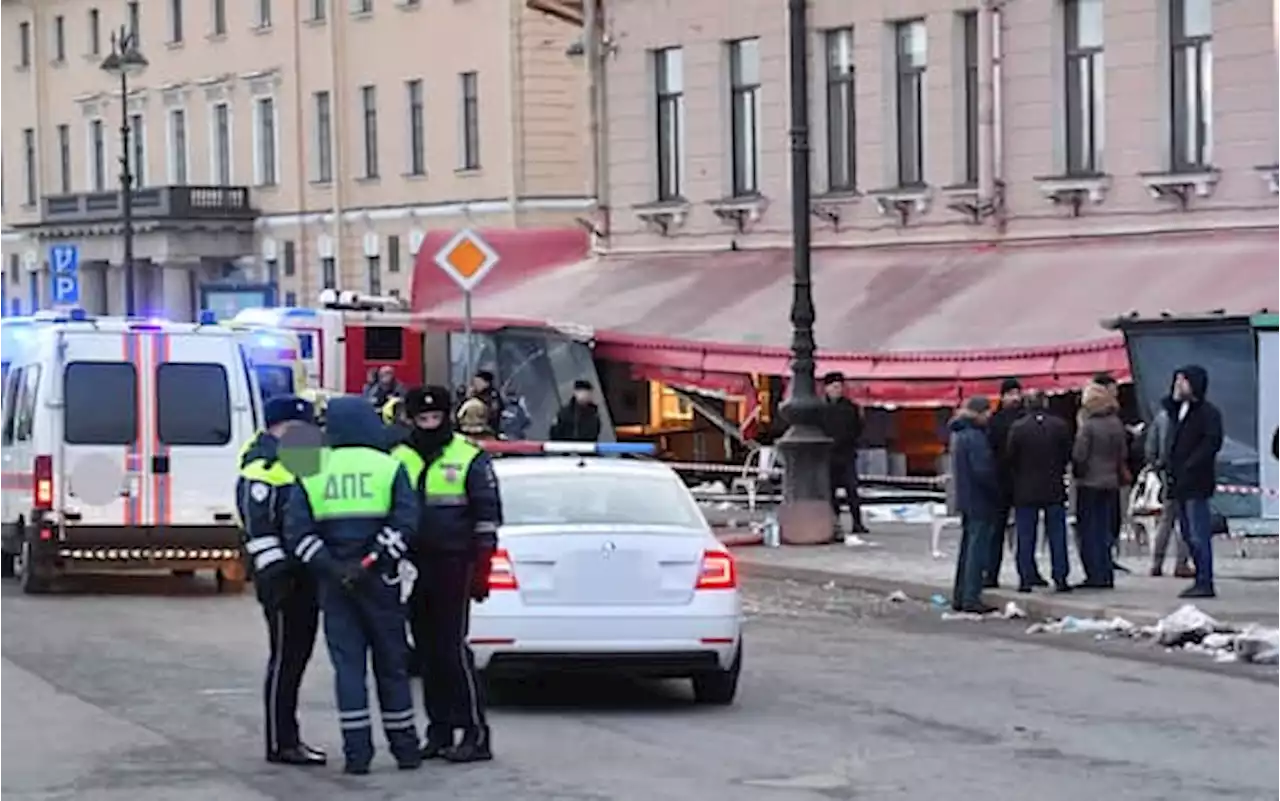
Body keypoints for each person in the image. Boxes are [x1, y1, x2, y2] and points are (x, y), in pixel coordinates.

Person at [283, 396, 422, 775]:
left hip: (334, 584)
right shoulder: (389, 466)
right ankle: (405, 749)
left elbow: (298, 532)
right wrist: (372, 560)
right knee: (391, 666)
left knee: (348, 669)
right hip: (380, 580)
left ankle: (357, 754)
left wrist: (332, 567)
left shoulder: (311, 469)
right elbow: (406, 522)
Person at [395, 386, 502, 763]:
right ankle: (439, 730)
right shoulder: (399, 457)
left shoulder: (469, 457)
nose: (429, 424)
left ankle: (475, 732)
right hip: (412, 565)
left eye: (435, 418)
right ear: (410, 419)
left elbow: (487, 515)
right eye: (422, 419)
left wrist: (483, 567)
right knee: (425, 653)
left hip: (455, 562)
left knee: (452, 650)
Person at [236, 396, 326, 767]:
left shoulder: (295, 461)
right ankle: (281, 742)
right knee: (287, 658)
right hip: (283, 578)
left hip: (302, 572)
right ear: (282, 427)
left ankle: (287, 738)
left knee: (296, 656)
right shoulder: (263, 468)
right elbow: (260, 529)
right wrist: (276, 576)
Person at [1005, 390, 1072, 593]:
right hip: (1053, 487)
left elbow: (1010, 457)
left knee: (1026, 536)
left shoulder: (1018, 428)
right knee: (1057, 535)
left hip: (1025, 489)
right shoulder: (1059, 426)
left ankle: (1025, 578)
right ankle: (1060, 577)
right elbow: (1067, 454)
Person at [1165, 365, 1224, 598]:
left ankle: (1205, 580)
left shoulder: (1208, 413)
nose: (1178, 385)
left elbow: (1212, 442)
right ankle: (1199, 575)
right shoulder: (1179, 411)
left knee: (1199, 533)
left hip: (1196, 481)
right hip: (1179, 482)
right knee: (1188, 533)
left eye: (1183, 381)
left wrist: (1190, 465)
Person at [1072, 381, 1128, 589]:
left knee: (1088, 530)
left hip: (1089, 483)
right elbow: (1123, 453)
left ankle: (1094, 574)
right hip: (1110, 482)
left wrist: (1078, 472)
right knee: (1104, 529)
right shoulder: (1116, 423)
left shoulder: (1089, 426)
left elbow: (1080, 455)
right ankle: (1106, 573)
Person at [949, 396, 1001, 614]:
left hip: (966, 497)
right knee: (977, 549)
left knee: (967, 548)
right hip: (980, 498)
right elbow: (983, 470)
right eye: (987, 412)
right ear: (978, 413)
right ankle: (971, 596)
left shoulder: (959, 434)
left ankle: (960, 595)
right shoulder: (976, 437)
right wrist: (997, 490)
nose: (990, 416)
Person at [1145, 391, 1193, 578]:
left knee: (1166, 520)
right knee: (1185, 521)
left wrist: (1157, 467)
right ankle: (1182, 563)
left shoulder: (1161, 417)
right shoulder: (1188, 419)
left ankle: (1156, 563)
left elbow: (1150, 447)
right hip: (1184, 473)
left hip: (1167, 473)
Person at [984, 378, 1023, 587]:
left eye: (1017, 392)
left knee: (1023, 531)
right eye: (1011, 393)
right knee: (997, 531)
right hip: (1001, 481)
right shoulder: (995, 421)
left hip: (1020, 481)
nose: (1015, 397)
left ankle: (1026, 572)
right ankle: (991, 573)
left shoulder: (1021, 418)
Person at [820, 372, 868, 538]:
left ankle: (857, 522)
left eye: (840, 387)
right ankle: (835, 523)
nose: (838, 390)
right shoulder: (819, 409)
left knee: (852, 490)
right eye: (834, 387)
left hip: (846, 454)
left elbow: (857, 429)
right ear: (826, 388)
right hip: (828, 456)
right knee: (830, 491)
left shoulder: (850, 408)